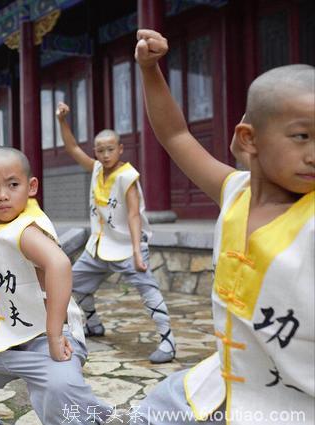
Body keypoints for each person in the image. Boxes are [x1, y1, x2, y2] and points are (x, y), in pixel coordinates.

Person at [132, 29, 314, 424]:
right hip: (225, 379)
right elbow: (176, 135)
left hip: (294, 403)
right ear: (248, 138)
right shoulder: (235, 191)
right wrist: (149, 70)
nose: (313, 154)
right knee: (150, 411)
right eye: (301, 136)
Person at [0, 135, 112, 425]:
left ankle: (93, 413)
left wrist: (56, 334)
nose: (3, 195)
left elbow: (59, 264)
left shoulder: (25, 229)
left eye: (12, 184)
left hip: (46, 339)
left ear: (31, 187)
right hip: (8, 336)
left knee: (60, 390)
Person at [56, 102, 176, 364]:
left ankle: (168, 342)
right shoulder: (97, 169)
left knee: (148, 289)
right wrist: (62, 121)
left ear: (120, 149)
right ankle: (95, 324)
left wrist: (136, 250)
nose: (105, 154)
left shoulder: (127, 175)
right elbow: (73, 148)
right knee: (73, 283)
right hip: (99, 246)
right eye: (100, 150)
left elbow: (134, 214)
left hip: (126, 246)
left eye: (111, 149)